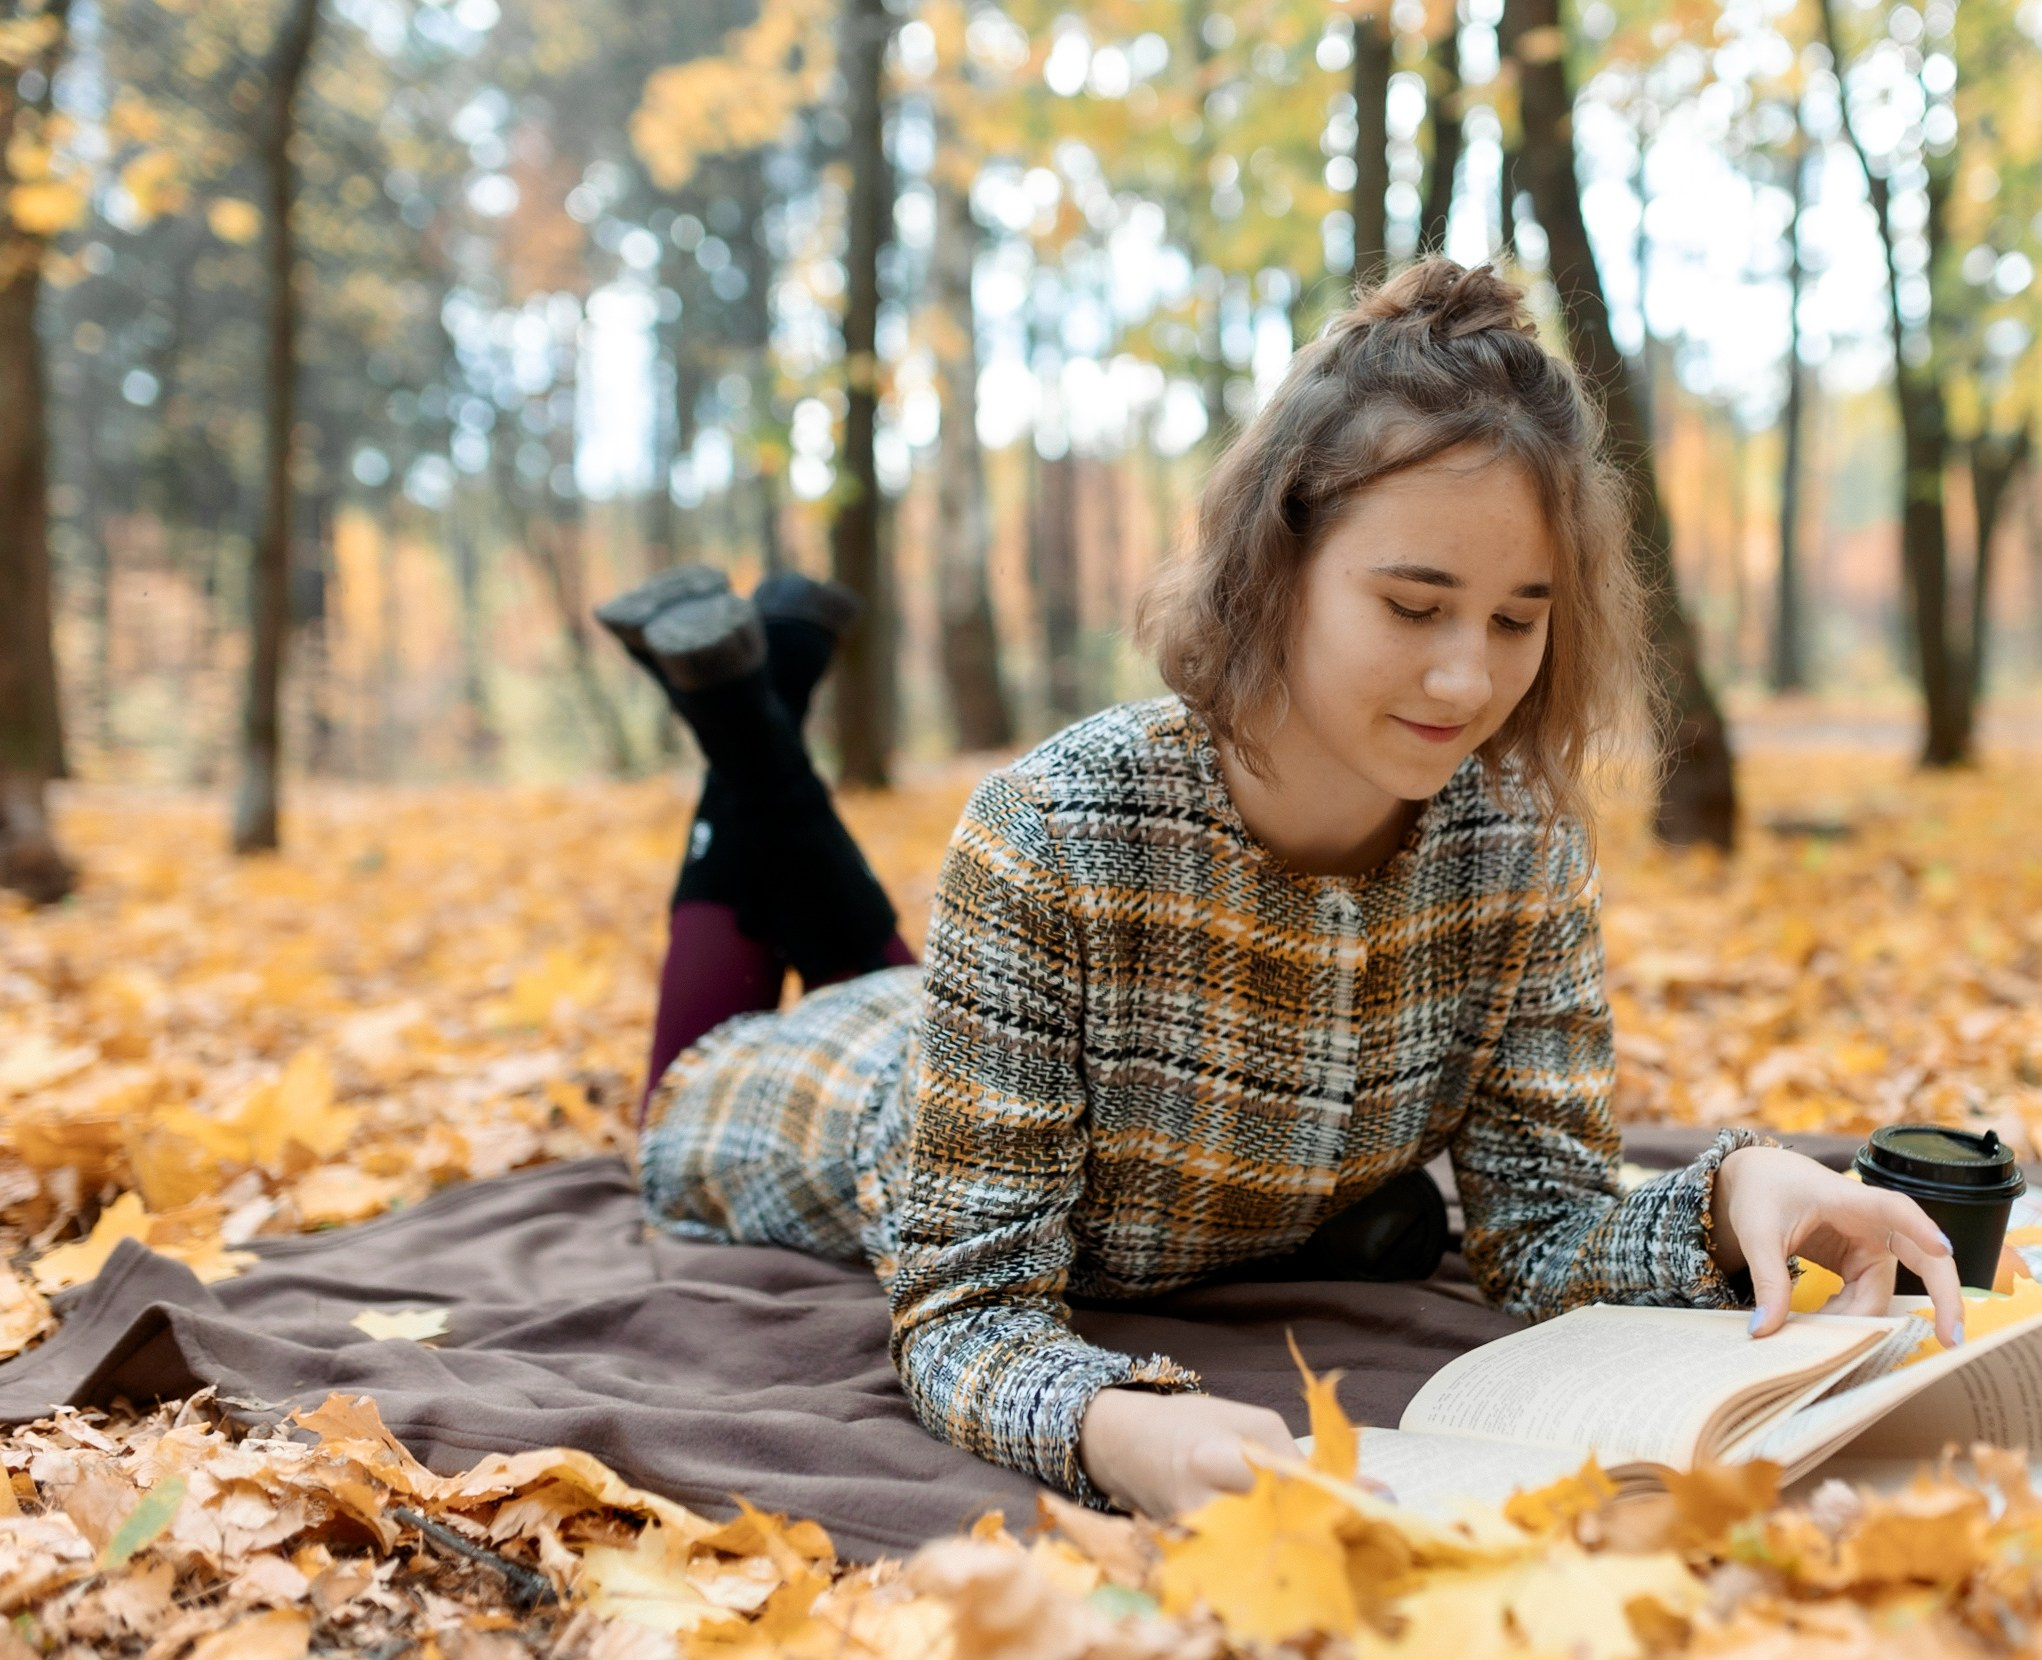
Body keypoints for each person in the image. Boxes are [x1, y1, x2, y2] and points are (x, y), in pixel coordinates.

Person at [615, 260, 1966, 1522]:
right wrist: (1110, 1428)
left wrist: (1739, 1195)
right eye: (1411, 604)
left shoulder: (1522, 845)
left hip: (981, 1028)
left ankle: (760, 697)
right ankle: (748, 714)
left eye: (1514, 618)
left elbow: (1542, 1231)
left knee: (891, 958)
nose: (1464, 680)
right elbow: (966, 1308)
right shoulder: (1052, 831)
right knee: (695, 1076)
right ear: (1279, 561)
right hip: (804, 1102)